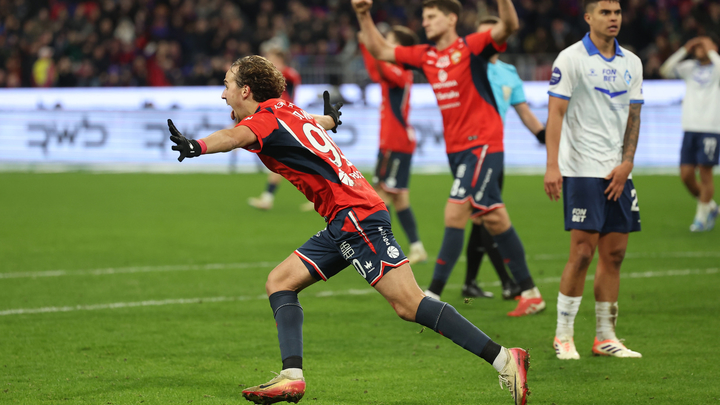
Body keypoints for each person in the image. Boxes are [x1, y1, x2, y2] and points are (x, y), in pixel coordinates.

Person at [169, 55, 529, 405]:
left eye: (227, 85)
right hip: (345, 219)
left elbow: (233, 137)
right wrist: (329, 119)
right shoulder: (286, 110)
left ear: (246, 90)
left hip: (356, 217)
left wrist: (197, 146)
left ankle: (504, 358)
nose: (223, 94)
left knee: (409, 304)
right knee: (280, 282)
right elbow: (310, 122)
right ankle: (291, 376)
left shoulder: (264, 121)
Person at [354, 0, 545, 317]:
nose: (425, 22)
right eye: (424, 17)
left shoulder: (471, 47)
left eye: (432, 16)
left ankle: (433, 292)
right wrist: (363, 14)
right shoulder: (426, 55)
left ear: (451, 18)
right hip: (457, 151)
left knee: (455, 212)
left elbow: (509, 25)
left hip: (482, 144)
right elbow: (381, 50)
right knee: (495, 218)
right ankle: (530, 291)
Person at [544, 0, 644, 360]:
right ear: (588, 18)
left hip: (617, 171)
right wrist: (552, 165)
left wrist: (627, 163)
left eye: (617, 12)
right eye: (605, 12)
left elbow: (634, 116)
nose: (613, 18)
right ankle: (563, 336)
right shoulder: (570, 59)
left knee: (614, 254)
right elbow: (556, 113)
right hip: (581, 169)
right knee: (583, 252)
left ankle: (605, 337)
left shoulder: (632, 62)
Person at [463, 16, 547, 300]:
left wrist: (544, 136)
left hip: (495, 152)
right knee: (488, 214)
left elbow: (523, 110)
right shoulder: (467, 68)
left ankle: (470, 283)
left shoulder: (509, 72)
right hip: (471, 151)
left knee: (481, 217)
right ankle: (508, 282)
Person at [359, 26, 428, 264]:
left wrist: (370, 44)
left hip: (396, 143)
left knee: (380, 197)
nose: (384, 44)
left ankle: (381, 248)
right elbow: (374, 69)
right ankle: (417, 247)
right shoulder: (394, 71)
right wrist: (366, 46)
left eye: (388, 40)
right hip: (392, 142)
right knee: (399, 198)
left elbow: (379, 65)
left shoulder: (401, 71)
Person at [659, 36, 720, 232]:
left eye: (704, 44)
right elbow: (665, 70)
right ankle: (711, 207)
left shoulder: (717, 68)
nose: (699, 47)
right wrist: (684, 50)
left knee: (705, 173)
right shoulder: (690, 68)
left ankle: (700, 219)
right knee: (686, 175)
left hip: (710, 128)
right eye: (697, 45)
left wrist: (712, 52)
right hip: (690, 127)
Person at [247, 46, 310, 212]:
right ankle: (267, 198)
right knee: (285, 161)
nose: (268, 61)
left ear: (279, 60)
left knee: (287, 160)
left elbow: (292, 81)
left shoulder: (287, 74)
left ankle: (267, 199)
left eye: (271, 58)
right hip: (277, 119)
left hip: (285, 120)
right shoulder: (274, 78)